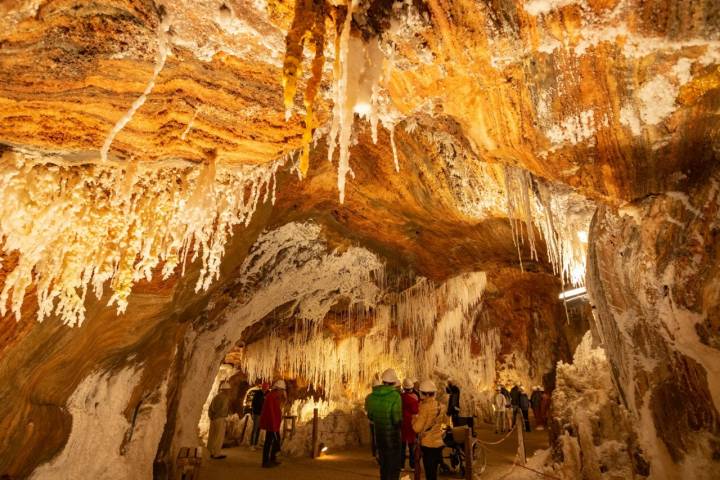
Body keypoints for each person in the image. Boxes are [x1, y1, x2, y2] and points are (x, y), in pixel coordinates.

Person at [365, 368, 402, 480]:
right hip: (393, 439)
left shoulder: (371, 397)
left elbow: (370, 416)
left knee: (383, 466)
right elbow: (397, 419)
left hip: (379, 437)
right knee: (394, 467)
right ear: (394, 382)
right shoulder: (395, 396)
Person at [412, 380, 446, 480]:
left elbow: (417, 428)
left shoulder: (424, 407)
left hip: (428, 445)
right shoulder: (441, 406)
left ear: (425, 394)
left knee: (430, 473)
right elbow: (445, 423)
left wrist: (414, 419)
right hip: (439, 444)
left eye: (420, 392)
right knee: (434, 472)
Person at [259, 379, 286, 468]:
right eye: (282, 390)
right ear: (277, 389)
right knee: (271, 441)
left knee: (273, 441)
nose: (282, 392)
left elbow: (276, 410)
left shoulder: (275, 397)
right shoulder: (271, 397)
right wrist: (273, 424)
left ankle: (272, 459)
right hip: (271, 423)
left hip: (274, 423)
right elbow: (271, 412)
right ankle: (266, 461)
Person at [207, 382, 231, 459]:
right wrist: (224, 417)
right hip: (220, 418)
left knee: (212, 436)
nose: (229, 391)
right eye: (228, 390)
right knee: (219, 437)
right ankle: (216, 453)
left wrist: (211, 416)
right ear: (225, 390)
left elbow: (210, 408)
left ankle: (210, 452)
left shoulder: (216, 397)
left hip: (213, 419)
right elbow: (223, 409)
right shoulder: (225, 398)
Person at [400, 378, 419, 471]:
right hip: (411, 422)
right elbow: (416, 411)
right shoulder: (415, 397)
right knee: (412, 446)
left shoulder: (400, 397)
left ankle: (401, 465)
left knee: (402, 445)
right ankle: (412, 465)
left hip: (403, 422)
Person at [250, 382, 268, 450]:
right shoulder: (258, 393)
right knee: (255, 429)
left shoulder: (267, 393)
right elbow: (254, 403)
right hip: (257, 413)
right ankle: (252, 444)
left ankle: (256, 443)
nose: (266, 388)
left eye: (267, 387)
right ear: (263, 387)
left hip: (262, 414)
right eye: (265, 387)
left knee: (258, 429)